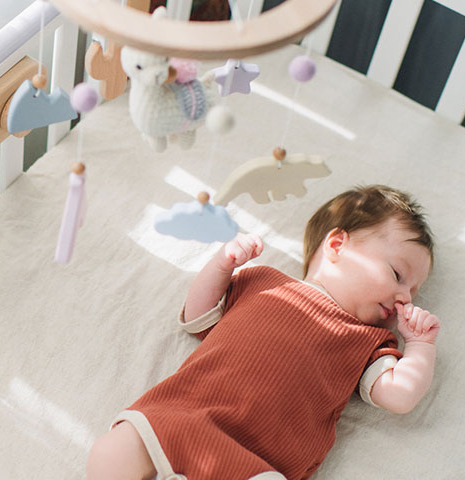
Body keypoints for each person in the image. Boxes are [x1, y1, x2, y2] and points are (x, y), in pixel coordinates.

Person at [86, 185, 440, 480]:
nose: (405, 297)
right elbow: (197, 319)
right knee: (115, 449)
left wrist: (421, 345)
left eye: (414, 291)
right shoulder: (262, 281)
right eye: (397, 274)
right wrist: (222, 264)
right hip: (186, 417)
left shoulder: (371, 341)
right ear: (336, 245)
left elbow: (400, 396)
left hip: (259, 462)